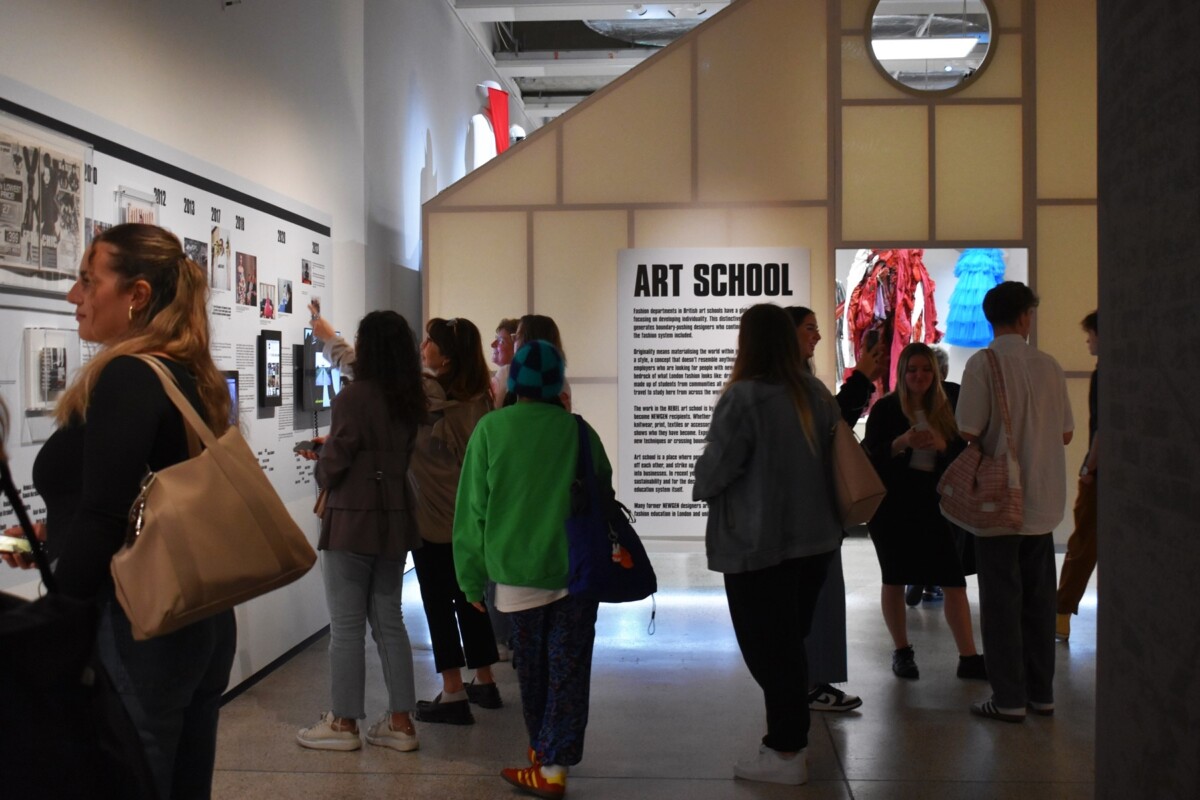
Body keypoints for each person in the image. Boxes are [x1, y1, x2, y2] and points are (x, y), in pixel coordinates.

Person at [1, 223, 236, 799]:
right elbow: (139, 499)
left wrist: (58, 623)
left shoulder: (129, 375)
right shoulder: (187, 372)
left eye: (87, 280)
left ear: (135, 295)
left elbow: (107, 517)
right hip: (198, 615)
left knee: (133, 779)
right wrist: (55, 537)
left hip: (140, 625)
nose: (73, 296)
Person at [693, 304, 842, 786]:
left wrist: (701, 477)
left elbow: (715, 471)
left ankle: (785, 751)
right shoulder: (815, 394)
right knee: (788, 648)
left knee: (769, 652)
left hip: (760, 547)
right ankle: (785, 742)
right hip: (815, 543)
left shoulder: (744, 398)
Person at [454, 339, 610, 799]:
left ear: (515, 380)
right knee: (569, 671)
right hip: (576, 573)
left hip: (517, 577)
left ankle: (544, 759)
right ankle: (553, 761)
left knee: (534, 673)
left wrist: (469, 577)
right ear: (558, 381)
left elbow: (471, 513)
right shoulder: (579, 431)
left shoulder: (490, 430)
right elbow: (601, 489)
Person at [295, 310, 426, 752]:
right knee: (390, 621)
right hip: (394, 517)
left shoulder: (356, 397)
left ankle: (345, 722)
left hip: (352, 518)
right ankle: (402, 723)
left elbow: (338, 459)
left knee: (346, 625)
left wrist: (323, 466)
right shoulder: (411, 397)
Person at [956, 282, 1073, 723]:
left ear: (990, 317)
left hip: (998, 504)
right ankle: (1042, 693)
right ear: (1025, 317)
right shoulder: (1049, 365)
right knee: (1040, 602)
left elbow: (968, 428)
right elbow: (1065, 433)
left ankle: (1008, 699)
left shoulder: (982, 364)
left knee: (1001, 604)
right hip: (1043, 502)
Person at [863, 342, 986, 681]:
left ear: (936, 372)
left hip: (938, 507)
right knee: (894, 578)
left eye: (926, 369)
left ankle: (969, 656)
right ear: (902, 374)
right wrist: (902, 443)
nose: (919, 376)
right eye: (912, 369)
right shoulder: (886, 409)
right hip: (893, 508)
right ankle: (902, 651)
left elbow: (967, 451)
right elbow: (871, 456)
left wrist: (943, 445)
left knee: (953, 579)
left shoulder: (950, 404)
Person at [787, 306, 883, 714]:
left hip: (808, 510)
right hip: (806, 513)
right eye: (810, 329)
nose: (818, 336)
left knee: (815, 597)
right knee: (816, 596)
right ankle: (807, 685)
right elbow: (831, 423)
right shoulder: (791, 385)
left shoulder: (795, 382)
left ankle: (808, 682)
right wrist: (860, 377)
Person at [409, 317, 502, 725]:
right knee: (471, 600)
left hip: (432, 521)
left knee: (438, 605)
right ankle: (484, 679)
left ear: (445, 359)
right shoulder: (480, 402)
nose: (424, 346)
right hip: (470, 523)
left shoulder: (425, 402)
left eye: (430, 342)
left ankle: (453, 691)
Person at [1056, 311, 1099, 641]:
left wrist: (1089, 467)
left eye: (1090, 334)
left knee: (1082, 541)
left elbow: (1103, 427)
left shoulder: (1104, 375)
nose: (1087, 340)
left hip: (1099, 471)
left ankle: (1060, 614)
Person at [507, 314, 572, 411]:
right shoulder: (559, 381)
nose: (514, 342)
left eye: (517, 336)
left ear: (529, 341)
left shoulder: (510, 375)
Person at [490, 318, 518, 410]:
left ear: (517, 345)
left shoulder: (506, 371)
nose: (493, 344)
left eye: (501, 341)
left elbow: (489, 409)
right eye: (496, 339)